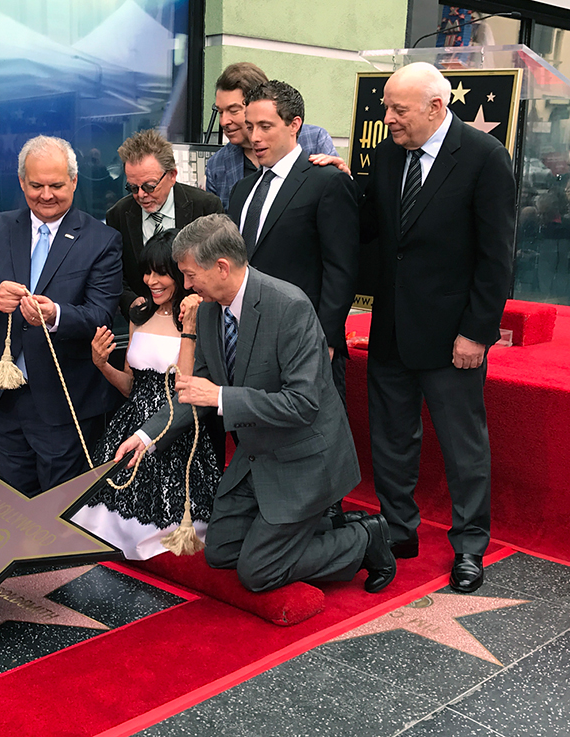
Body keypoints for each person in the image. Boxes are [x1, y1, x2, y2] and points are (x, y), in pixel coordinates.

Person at [115, 214, 396, 594]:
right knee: (221, 552)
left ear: (222, 267)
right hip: (257, 459)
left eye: (190, 274)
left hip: (305, 463)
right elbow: (194, 392)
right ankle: (321, 529)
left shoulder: (290, 307)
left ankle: (364, 538)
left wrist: (220, 396)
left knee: (258, 572)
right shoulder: (211, 309)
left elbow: (303, 404)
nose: (185, 285)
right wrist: (146, 437)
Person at [357, 62, 515, 593]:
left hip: (453, 339)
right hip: (392, 333)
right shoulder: (387, 154)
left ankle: (470, 545)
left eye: (398, 109)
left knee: (462, 446)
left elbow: (497, 257)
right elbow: (375, 229)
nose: (388, 118)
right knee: (391, 440)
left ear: (436, 107)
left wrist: (477, 332)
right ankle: (399, 533)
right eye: (386, 106)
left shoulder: (484, 157)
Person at [0, 135, 123, 497]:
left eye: (56, 185)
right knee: (12, 501)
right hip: (5, 394)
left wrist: (55, 315)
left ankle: (60, 559)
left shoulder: (102, 240)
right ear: (22, 182)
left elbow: (101, 314)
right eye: (36, 185)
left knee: (59, 506)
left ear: (74, 182)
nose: (46, 195)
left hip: (65, 397)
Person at [72, 230, 220, 560]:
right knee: (97, 520)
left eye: (161, 272)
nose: (151, 280)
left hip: (175, 428)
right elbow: (129, 385)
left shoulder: (197, 318)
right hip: (129, 425)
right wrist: (101, 365)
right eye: (147, 272)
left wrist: (191, 327)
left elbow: (186, 385)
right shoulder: (138, 315)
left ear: (180, 276)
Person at [228, 79, 359, 410]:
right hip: (247, 343)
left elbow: (341, 268)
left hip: (305, 341)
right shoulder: (242, 190)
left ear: (294, 124)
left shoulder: (327, 182)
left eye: (265, 126)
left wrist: (326, 339)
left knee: (313, 446)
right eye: (249, 127)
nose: (254, 137)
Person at [106, 129, 223, 317]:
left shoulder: (205, 207)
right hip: (146, 321)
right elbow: (114, 275)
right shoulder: (118, 215)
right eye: (133, 188)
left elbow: (217, 270)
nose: (141, 195)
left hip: (198, 318)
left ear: (172, 175)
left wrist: (198, 304)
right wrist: (131, 302)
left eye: (149, 186)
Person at [205, 62, 337, 210]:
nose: (224, 121)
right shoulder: (217, 166)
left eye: (233, 110)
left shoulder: (314, 141)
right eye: (220, 112)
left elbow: (337, 203)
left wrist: (343, 177)